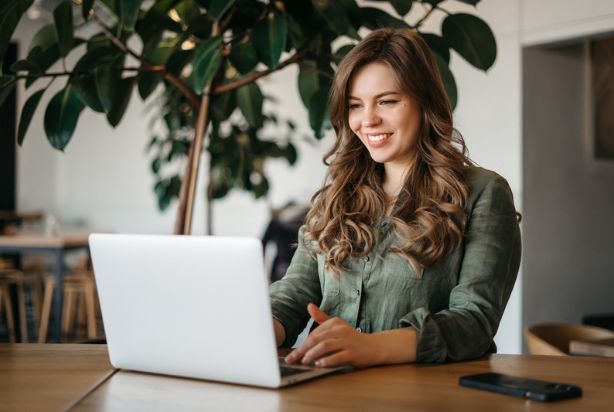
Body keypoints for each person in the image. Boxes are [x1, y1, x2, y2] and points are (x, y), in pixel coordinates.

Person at [269, 28, 521, 368]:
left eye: (387, 101)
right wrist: (257, 330)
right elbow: (295, 293)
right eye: (355, 105)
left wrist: (370, 347)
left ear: (424, 101)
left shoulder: (483, 193)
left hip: (426, 394)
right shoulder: (335, 197)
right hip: (326, 387)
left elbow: (474, 320)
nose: (368, 119)